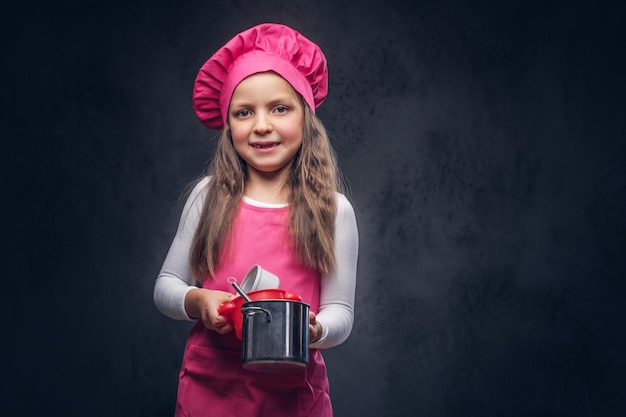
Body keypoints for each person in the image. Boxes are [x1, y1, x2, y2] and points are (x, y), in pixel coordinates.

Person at [153, 23, 359, 417]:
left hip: (294, 395)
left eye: (279, 108)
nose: (262, 125)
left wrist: (313, 329)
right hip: (209, 388)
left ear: (306, 116)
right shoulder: (207, 196)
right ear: (228, 124)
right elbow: (166, 286)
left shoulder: (335, 212)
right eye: (244, 112)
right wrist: (196, 300)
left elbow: (341, 314)